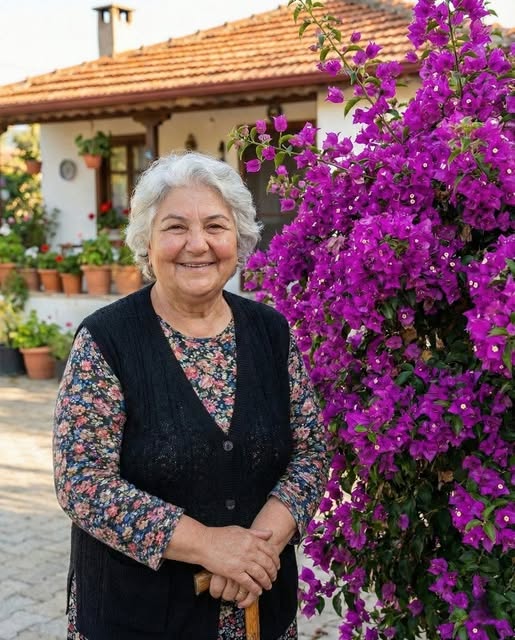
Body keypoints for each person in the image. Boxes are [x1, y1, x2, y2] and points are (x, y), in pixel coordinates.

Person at [53, 151, 328, 640]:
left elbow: (310, 453)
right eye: (175, 227)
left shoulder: (271, 333)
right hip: (136, 618)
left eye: (215, 226)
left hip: (258, 612)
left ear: (238, 239)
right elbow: (82, 480)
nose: (197, 244)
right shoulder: (107, 339)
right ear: (148, 241)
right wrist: (209, 546)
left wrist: (255, 549)